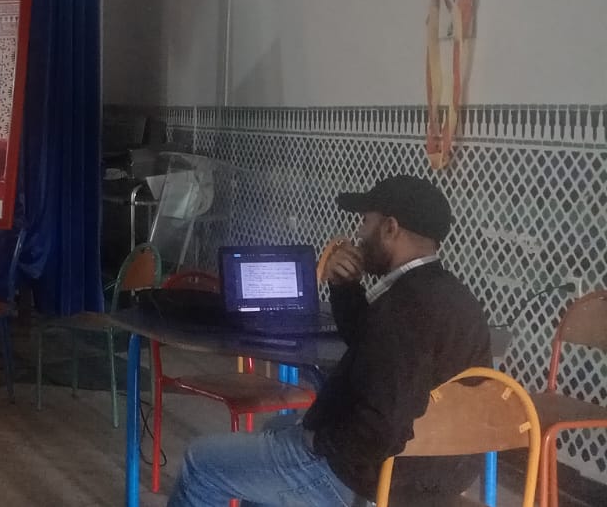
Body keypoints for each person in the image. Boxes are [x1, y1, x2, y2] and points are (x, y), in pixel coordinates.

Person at [169, 175, 491, 507]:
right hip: (441, 472)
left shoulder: (403, 308)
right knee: (278, 426)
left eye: (365, 222)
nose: (359, 234)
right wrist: (345, 286)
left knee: (200, 462)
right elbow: (373, 347)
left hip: (370, 477)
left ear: (390, 228)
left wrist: (319, 444)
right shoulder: (452, 296)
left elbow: (382, 425)